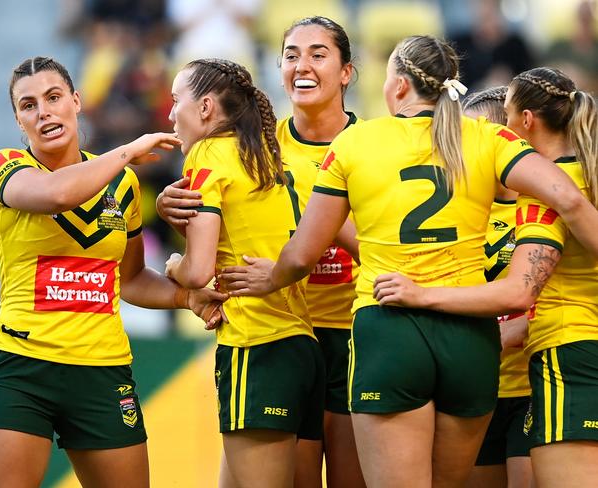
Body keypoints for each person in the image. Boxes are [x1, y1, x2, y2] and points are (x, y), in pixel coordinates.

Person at [218, 36, 598, 487]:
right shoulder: (488, 137)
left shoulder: (357, 141)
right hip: (470, 338)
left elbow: (302, 254)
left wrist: (270, 278)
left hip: (390, 327)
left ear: (398, 86)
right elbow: (568, 198)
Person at [0, 56, 226, 488]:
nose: (44, 112)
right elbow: (55, 195)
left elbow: (131, 279)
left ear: (76, 101)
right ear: (19, 119)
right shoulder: (4, 168)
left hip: (102, 371)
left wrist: (186, 297)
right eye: (29, 105)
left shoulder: (121, 185)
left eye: (53, 98)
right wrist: (127, 151)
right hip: (20, 369)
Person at [157, 16, 366, 487]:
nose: (302, 64)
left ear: (347, 71)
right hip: (300, 333)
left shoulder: (370, 145)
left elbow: (374, 243)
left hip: (348, 335)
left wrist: (281, 268)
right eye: (291, 54)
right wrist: (172, 202)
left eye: (317, 54)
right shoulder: (268, 147)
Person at [373, 67, 598, 488]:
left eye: (475, 134)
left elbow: (520, 293)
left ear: (516, 128)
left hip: (557, 363)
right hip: (498, 380)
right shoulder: (475, 208)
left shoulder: (551, 195)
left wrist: (422, 298)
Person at [462, 86, 534, 488]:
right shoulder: (456, 210)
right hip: (474, 389)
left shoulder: (539, 208)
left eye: (470, 137)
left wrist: (520, 327)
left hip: (528, 386)